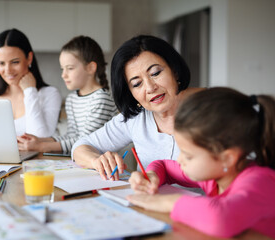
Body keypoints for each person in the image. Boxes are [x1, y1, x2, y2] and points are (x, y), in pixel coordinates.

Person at [127, 87, 275, 238]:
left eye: (188, 156)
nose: (179, 159)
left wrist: (168, 202)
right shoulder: (217, 174)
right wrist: (152, 175)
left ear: (227, 158)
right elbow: (164, 166)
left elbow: (220, 219)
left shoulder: (261, 183)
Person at [72, 35, 202, 180]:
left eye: (155, 73)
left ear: (175, 70)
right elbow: (80, 147)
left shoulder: (215, 107)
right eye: (137, 84)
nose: (150, 88)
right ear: (130, 92)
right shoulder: (136, 118)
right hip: (145, 202)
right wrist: (97, 161)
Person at [17, 36, 117, 154]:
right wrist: (40, 140)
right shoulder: (72, 99)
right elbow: (71, 136)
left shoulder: (101, 98)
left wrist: (43, 147)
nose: (63, 75)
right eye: (62, 69)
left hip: (102, 166)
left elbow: (85, 142)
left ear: (90, 68)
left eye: (70, 68)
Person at [0, 28, 62, 138]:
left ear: (29, 58)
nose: (8, 70)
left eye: (15, 62)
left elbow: (39, 137)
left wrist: (30, 91)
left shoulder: (50, 94)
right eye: (1, 63)